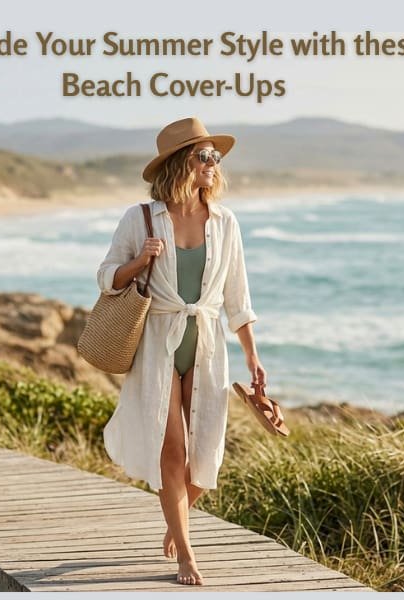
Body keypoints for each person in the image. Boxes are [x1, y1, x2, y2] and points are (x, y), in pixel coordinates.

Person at [96, 116, 265, 586]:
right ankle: (187, 556)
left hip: (207, 343)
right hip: (158, 343)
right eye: (203, 155)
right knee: (173, 450)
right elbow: (107, 277)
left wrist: (253, 357)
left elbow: (238, 298)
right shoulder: (141, 219)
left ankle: (178, 516)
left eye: (215, 156)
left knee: (206, 451)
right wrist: (140, 260)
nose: (213, 163)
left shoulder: (225, 222)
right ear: (179, 164)